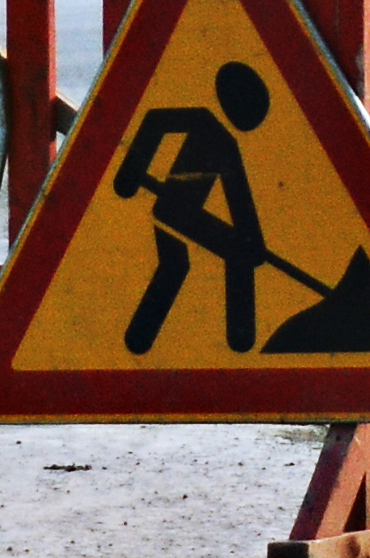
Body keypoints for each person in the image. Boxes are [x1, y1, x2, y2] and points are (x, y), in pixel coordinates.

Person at [112, 61, 273, 353]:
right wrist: (130, 174)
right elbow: (155, 122)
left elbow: (239, 199)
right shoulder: (208, 126)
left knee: (175, 266)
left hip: (176, 212)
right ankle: (241, 339)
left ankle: (138, 340)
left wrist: (254, 239)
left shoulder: (224, 141)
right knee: (234, 255)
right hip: (177, 212)